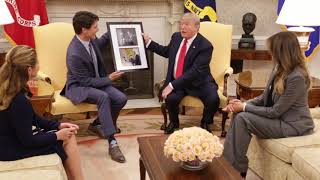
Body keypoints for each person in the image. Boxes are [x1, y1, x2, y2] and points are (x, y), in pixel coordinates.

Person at [222, 31, 315, 178]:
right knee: (239, 113)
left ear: (282, 51)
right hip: (280, 119)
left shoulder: (297, 77)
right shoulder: (278, 68)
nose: (270, 52)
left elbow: (275, 111)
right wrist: (240, 104)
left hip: (293, 126)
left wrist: (245, 107)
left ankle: (235, 168)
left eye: (273, 50)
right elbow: (263, 98)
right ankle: (231, 163)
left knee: (243, 118)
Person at [0, 45, 84, 180]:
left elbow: (33, 118)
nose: (39, 66)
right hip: (9, 150)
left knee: (65, 135)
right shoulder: (19, 100)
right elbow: (28, 141)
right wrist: (57, 135)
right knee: (68, 138)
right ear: (29, 70)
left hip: (8, 142)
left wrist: (57, 126)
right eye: (37, 63)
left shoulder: (9, 86)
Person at [61, 11, 127, 163]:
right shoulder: (74, 54)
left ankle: (98, 124)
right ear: (84, 29)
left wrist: (118, 29)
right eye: (95, 27)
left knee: (120, 98)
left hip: (95, 81)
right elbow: (85, 82)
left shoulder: (90, 38)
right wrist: (108, 79)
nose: (97, 30)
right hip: (78, 86)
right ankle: (112, 142)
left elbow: (100, 43)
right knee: (103, 97)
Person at [142, 13, 220, 134]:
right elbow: (166, 52)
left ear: (196, 27)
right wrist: (149, 42)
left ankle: (205, 121)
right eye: (181, 23)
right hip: (179, 82)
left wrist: (171, 85)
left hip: (199, 82)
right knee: (171, 98)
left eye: (187, 24)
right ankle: (174, 122)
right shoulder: (176, 37)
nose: (182, 27)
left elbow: (195, 72)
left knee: (213, 99)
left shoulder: (205, 46)